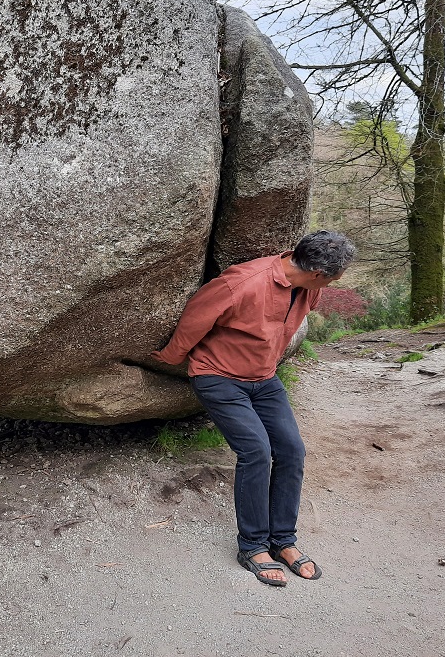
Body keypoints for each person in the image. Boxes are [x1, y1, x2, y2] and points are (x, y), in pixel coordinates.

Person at [151, 230, 356, 587]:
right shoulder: (241, 283)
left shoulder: (310, 287)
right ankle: (252, 546)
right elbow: (195, 318)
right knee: (256, 452)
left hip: (264, 378)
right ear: (318, 273)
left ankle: (284, 541)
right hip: (218, 376)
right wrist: (169, 358)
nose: (337, 281)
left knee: (292, 451)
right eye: (336, 276)